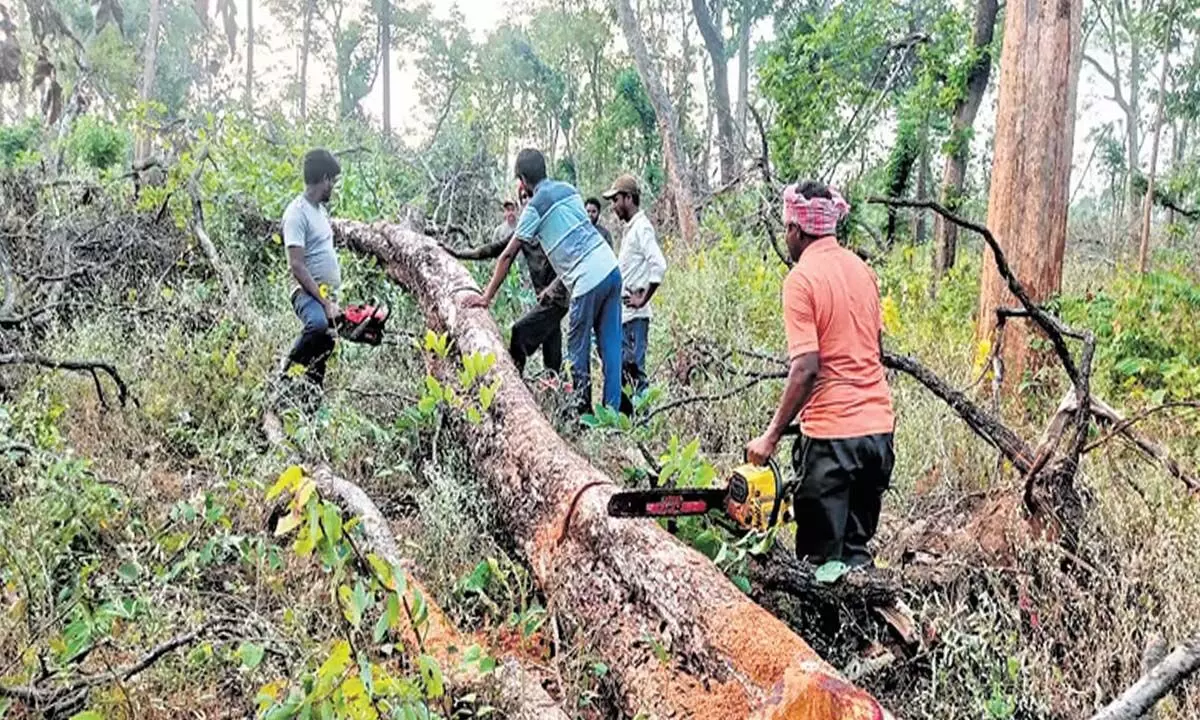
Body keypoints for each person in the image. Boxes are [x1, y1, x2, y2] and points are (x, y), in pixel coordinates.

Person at [745, 180, 895, 568]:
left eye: (786, 229)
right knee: (856, 553)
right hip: (877, 433)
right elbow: (875, 352)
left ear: (796, 230)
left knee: (820, 563)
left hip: (833, 439)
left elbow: (806, 368)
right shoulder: (863, 270)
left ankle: (820, 630)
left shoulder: (801, 279)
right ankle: (862, 627)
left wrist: (771, 436)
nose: (786, 236)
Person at [462, 149, 622, 414]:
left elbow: (507, 255)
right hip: (611, 269)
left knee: (577, 350)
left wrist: (486, 297)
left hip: (586, 280)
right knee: (611, 344)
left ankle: (582, 413)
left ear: (522, 181)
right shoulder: (569, 189)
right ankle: (613, 415)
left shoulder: (533, 209)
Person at [443, 198, 568, 375]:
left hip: (557, 298)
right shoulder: (523, 231)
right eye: (523, 198)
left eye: (529, 197)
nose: (526, 201)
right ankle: (553, 388)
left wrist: (552, 289)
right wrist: (459, 253)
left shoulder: (550, 228)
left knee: (519, 332)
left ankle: (517, 382)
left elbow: (568, 262)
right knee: (551, 339)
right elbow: (495, 249)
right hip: (547, 300)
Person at [603, 174, 666, 411]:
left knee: (635, 371)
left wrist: (642, 298)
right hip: (626, 317)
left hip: (635, 318)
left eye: (616, 199)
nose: (614, 205)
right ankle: (630, 424)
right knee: (625, 371)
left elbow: (659, 265)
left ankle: (644, 424)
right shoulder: (632, 229)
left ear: (629, 198)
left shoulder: (642, 228)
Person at [281, 148, 342, 390]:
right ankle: (283, 376)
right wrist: (325, 302)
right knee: (317, 325)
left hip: (324, 294)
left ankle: (310, 395)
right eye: (333, 182)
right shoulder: (297, 213)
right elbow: (296, 264)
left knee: (326, 341)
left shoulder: (320, 212)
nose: (333, 188)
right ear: (324, 179)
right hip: (305, 293)